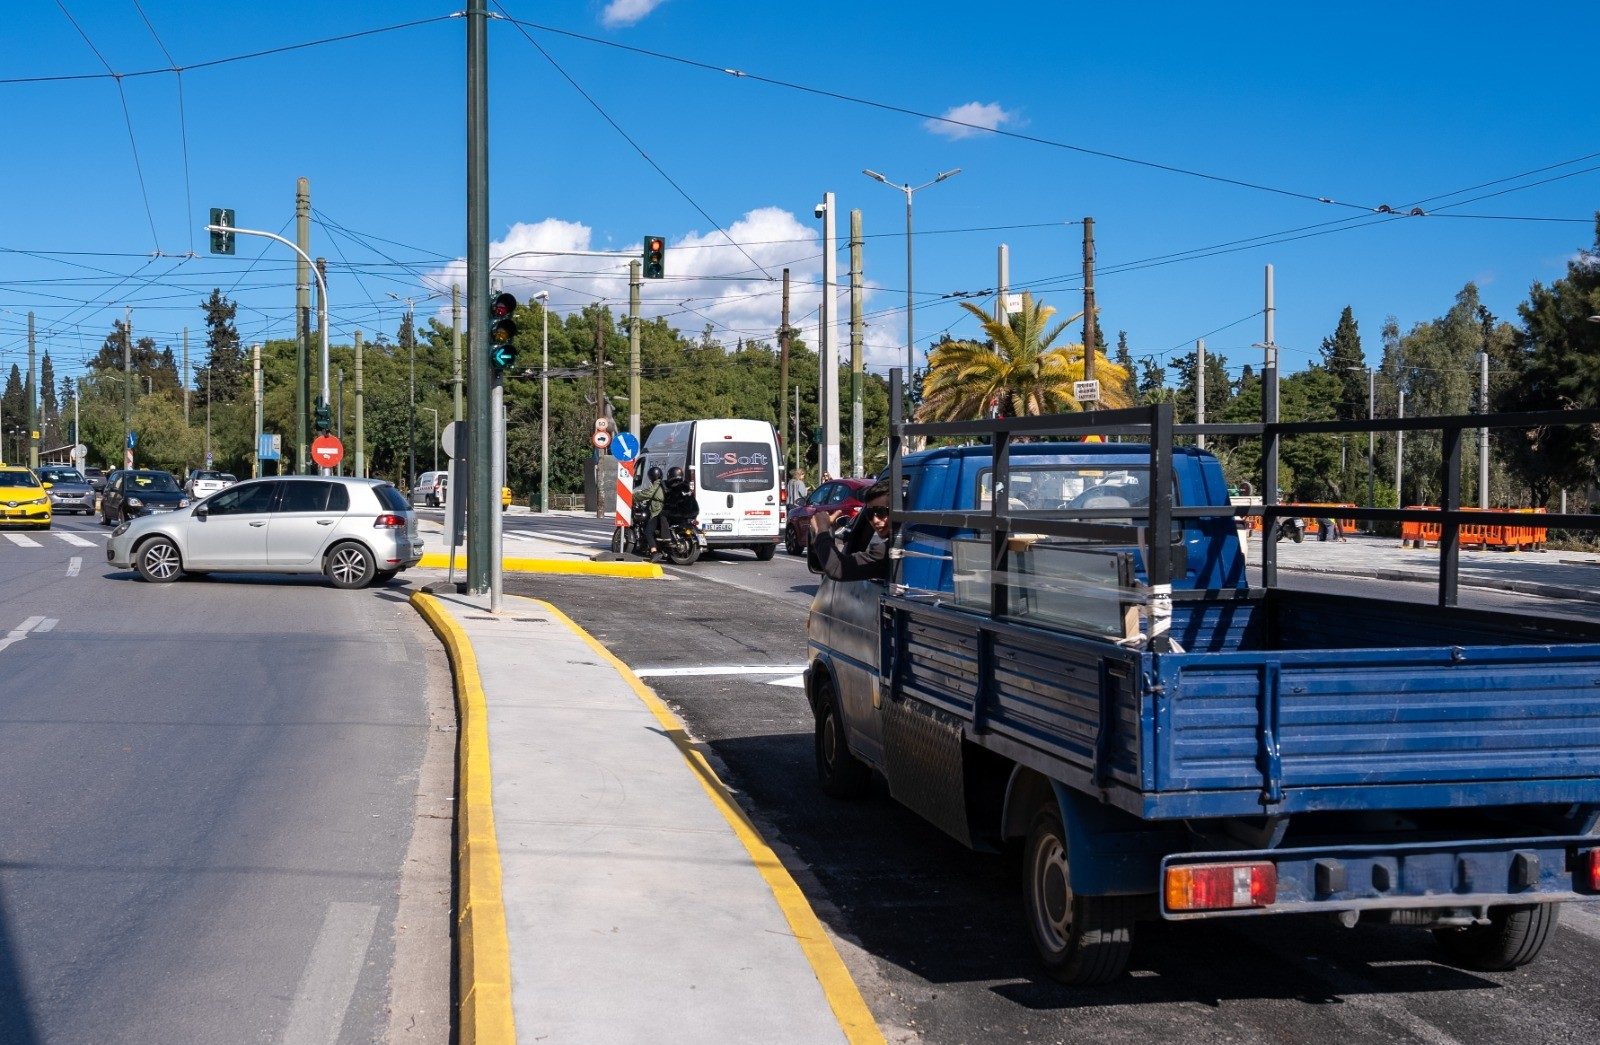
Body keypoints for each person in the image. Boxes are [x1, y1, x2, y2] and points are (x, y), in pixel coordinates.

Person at [809, 478, 892, 582]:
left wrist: (821, 530)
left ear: (898, 511)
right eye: (869, 514)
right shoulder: (897, 546)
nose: (875, 520)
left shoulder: (887, 551)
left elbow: (837, 568)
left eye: (881, 512)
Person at [635, 465, 666, 556]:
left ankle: (654, 552)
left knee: (648, 531)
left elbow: (648, 493)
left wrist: (633, 496)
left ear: (651, 476)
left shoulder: (656, 485)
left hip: (657, 512)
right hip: (666, 511)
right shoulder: (664, 484)